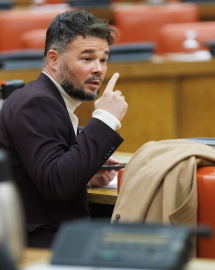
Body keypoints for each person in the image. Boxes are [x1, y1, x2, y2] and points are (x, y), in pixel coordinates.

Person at [0, 10, 128, 248]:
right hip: (41, 247)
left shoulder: (45, 98)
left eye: (104, 59)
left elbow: (44, 171)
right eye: (87, 59)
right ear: (53, 59)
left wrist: (85, 173)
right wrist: (105, 119)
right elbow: (57, 184)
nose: (99, 69)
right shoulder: (37, 104)